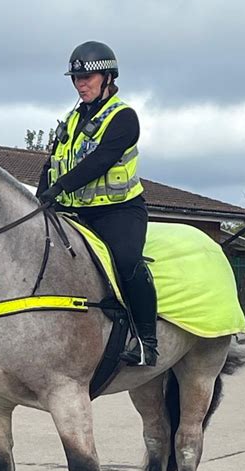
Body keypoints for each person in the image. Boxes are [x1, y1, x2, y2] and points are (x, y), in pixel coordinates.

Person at [36, 41, 158, 366]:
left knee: (127, 260)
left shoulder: (124, 118)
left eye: (87, 78)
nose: (80, 85)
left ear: (108, 78)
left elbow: (99, 162)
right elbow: (52, 162)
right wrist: (38, 199)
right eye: (75, 79)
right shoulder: (71, 120)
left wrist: (59, 187)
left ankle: (147, 341)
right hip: (76, 213)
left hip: (119, 213)